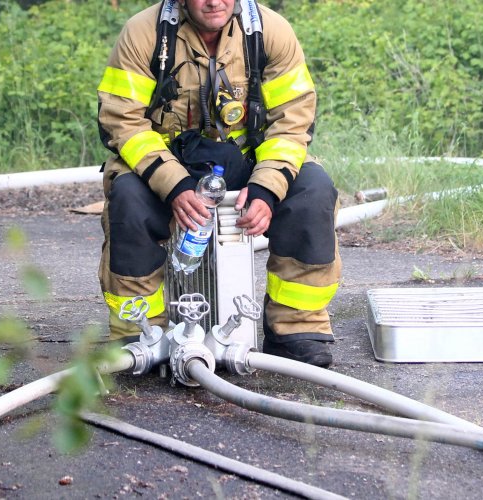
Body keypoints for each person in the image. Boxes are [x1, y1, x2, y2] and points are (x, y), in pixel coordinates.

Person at [95, 0, 340, 367]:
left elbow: (292, 122)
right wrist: (173, 185)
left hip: (246, 163)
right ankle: (141, 332)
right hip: (166, 164)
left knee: (313, 189)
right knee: (128, 197)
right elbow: (122, 120)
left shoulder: (269, 32)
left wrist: (267, 187)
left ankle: (295, 328)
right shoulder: (144, 33)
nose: (214, 1)